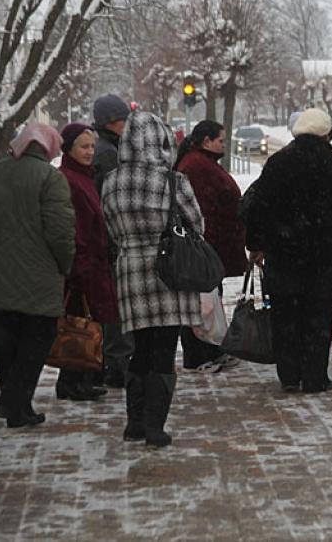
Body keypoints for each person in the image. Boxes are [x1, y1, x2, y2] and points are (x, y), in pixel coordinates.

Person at [0, 122, 76, 428]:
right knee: (37, 339)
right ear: (48, 149)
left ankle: (17, 408)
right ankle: (13, 402)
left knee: (3, 343)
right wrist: (65, 264)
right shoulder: (51, 179)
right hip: (36, 277)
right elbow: (60, 232)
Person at [246, 108, 332, 393]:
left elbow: (259, 207)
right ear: (327, 134)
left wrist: (256, 245)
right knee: (318, 318)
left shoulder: (278, 164)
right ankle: (315, 377)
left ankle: (289, 375)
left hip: (284, 255)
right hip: (325, 258)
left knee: (285, 317)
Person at [102, 111, 205, 447]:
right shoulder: (173, 181)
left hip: (130, 271)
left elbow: (110, 229)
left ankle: (134, 422)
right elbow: (196, 227)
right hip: (168, 273)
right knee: (164, 350)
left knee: (141, 349)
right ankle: (154, 426)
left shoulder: (111, 181)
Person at [174, 120, 247, 373]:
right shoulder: (196, 166)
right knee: (201, 302)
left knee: (210, 300)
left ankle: (212, 349)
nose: (224, 145)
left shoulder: (200, 163)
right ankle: (200, 354)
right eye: (221, 141)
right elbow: (202, 209)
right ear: (207, 142)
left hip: (210, 247)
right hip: (205, 247)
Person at [55, 123, 119, 401]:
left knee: (85, 323)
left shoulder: (82, 177)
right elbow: (76, 226)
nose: (90, 151)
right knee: (79, 323)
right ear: (69, 148)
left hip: (93, 263)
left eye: (92, 146)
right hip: (84, 266)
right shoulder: (69, 179)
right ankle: (73, 380)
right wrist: (81, 266)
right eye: (83, 146)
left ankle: (79, 377)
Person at [92, 93, 133, 388]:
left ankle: (112, 364)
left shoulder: (107, 148)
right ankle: (116, 367)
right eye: (123, 120)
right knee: (116, 311)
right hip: (111, 242)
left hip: (106, 241)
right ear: (111, 122)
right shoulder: (107, 153)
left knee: (112, 309)